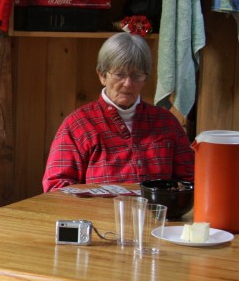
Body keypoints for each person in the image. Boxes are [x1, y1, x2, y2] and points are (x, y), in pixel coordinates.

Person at [42, 32, 194, 192]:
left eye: (136, 75)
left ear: (146, 78)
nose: (128, 84)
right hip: (97, 216)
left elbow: (190, 181)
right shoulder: (78, 124)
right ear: (102, 75)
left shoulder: (166, 123)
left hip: (157, 216)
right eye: (119, 74)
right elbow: (56, 187)